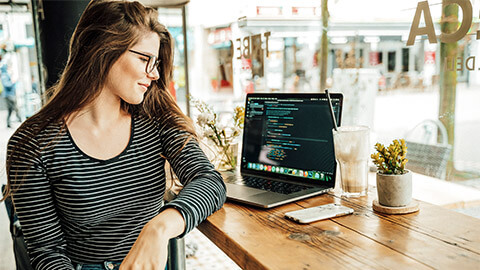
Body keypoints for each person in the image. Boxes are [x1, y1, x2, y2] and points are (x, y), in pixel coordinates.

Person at [2, 1, 226, 269]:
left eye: (156, 62)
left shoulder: (157, 118)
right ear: (102, 50)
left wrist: (159, 227)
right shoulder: (31, 144)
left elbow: (210, 181)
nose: (154, 74)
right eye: (144, 59)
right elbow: (46, 254)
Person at [1, 63, 22, 128]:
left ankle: (9, 123)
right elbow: (6, 84)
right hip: (9, 94)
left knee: (11, 109)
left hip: (10, 94)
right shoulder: (4, 75)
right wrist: (13, 82)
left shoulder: (6, 74)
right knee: (14, 107)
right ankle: (19, 119)